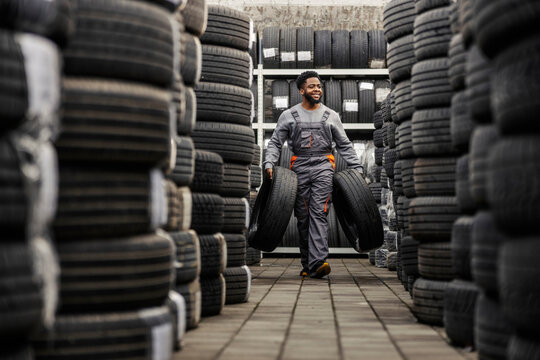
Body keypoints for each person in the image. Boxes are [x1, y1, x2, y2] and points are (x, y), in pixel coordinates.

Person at [263, 71, 364, 279]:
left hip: (324, 165)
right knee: (303, 216)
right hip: (298, 166)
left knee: (319, 211)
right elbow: (275, 142)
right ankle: (308, 264)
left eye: (319, 86)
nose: (317, 89)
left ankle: (319, 261)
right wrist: (269, 162)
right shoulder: (289, 115)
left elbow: (344, 145)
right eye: (312, 86)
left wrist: (357, 167)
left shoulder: (331, 115)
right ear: (302, 91)